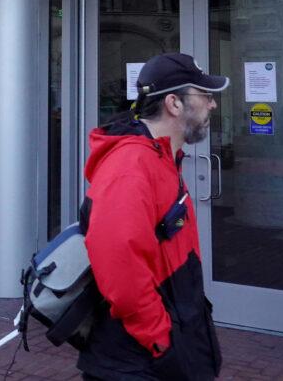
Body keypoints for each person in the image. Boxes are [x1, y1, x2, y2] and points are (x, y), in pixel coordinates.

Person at [77, 53, 226, 381]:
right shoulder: (131, 166)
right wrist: (163, 344)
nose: (212, 105)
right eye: (204, 96)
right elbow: (123, 273)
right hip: (139, 362)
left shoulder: (162, 157)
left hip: (166, 346)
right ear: (174, 103)